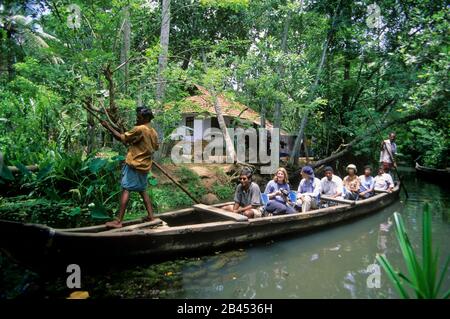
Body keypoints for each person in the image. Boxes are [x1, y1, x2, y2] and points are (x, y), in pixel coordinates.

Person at [101, 107, 159, 228]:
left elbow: (121, 137)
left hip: (135, 165)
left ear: (146, 118)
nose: (137, 118)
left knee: (126, 189)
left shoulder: (140, 128)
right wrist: (136, 142)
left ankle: (118, 221)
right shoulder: (153, 131)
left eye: (139, 117)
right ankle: (151, 217)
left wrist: (108, 126)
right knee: (142, 190)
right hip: (145, 166)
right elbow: (155, 147)